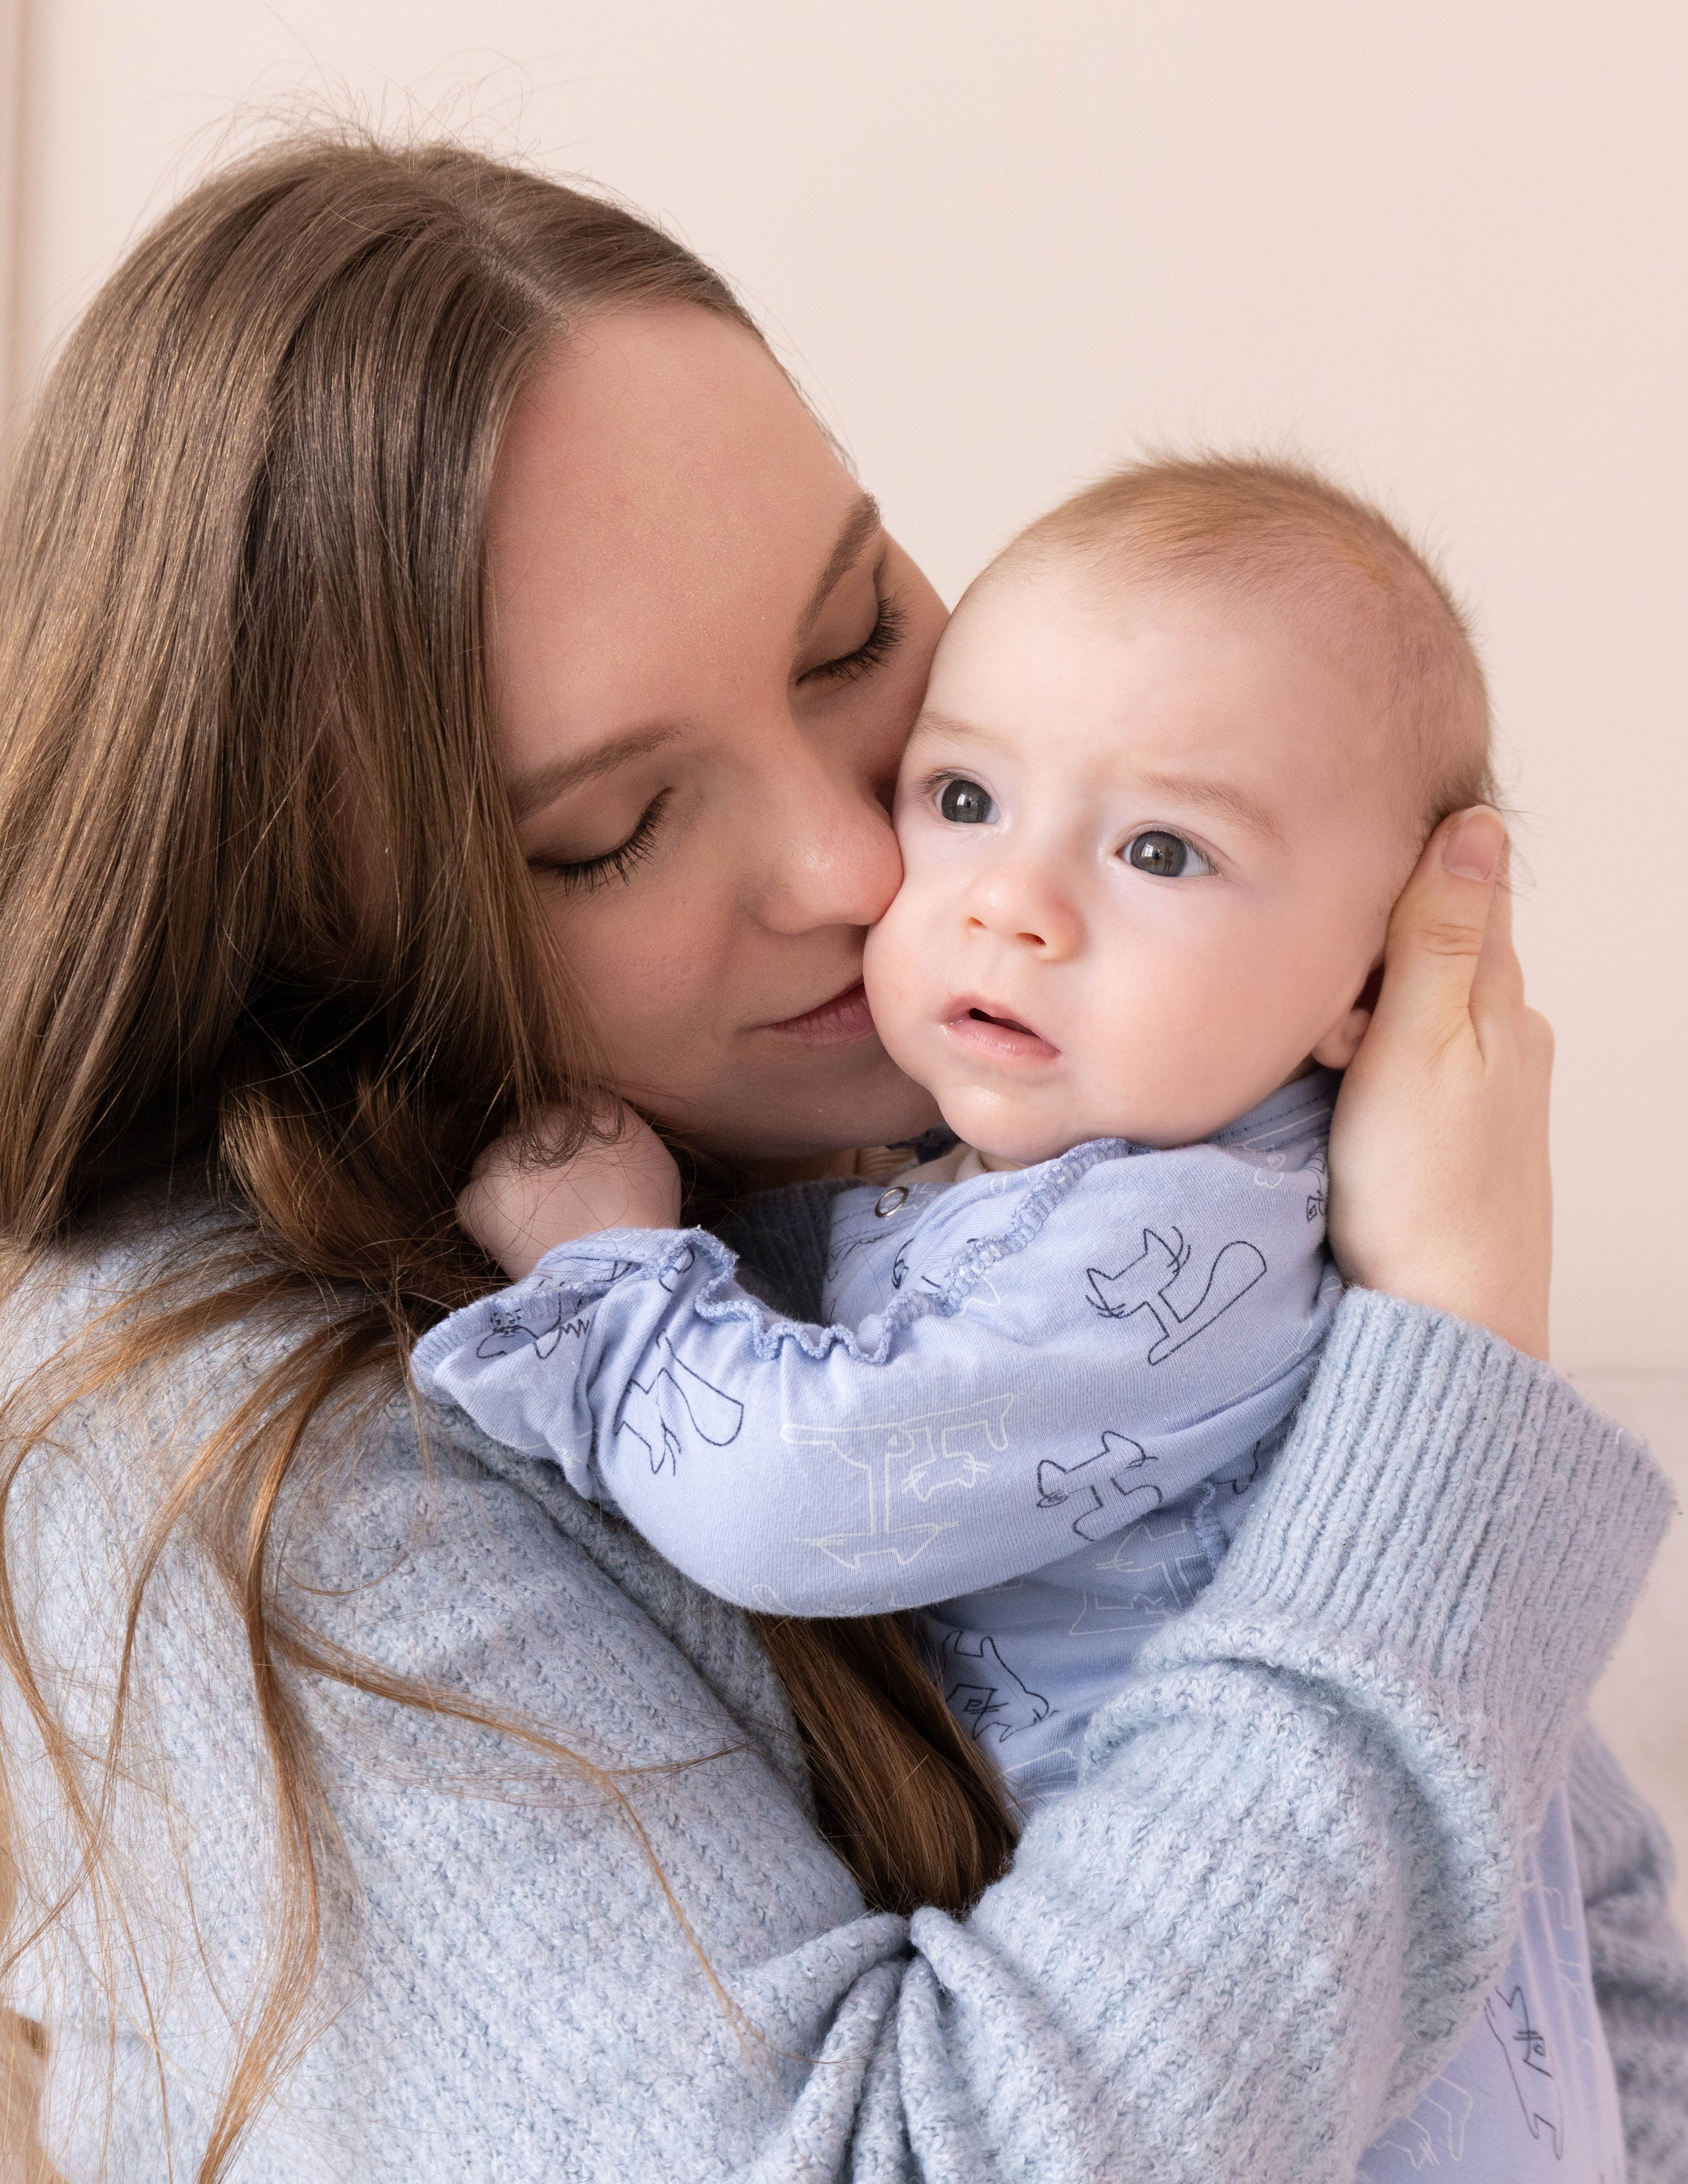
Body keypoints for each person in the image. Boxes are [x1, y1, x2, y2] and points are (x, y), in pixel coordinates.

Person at [0, 134, 1679, 2183]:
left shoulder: (1007, 1156)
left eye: (852, 635)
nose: (869, 859)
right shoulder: (206, 1469)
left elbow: (1566, 1925)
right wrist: (1444, 1363)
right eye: (609, 831)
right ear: (326, 942)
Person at [412, 454, 1627, 2178]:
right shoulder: (1073, 1166)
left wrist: (607, 1272)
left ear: (1381, 972)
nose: (1012, 900)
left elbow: (796, 1489)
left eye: (1161, 848)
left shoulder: (1180, 1232)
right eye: (965, 796)